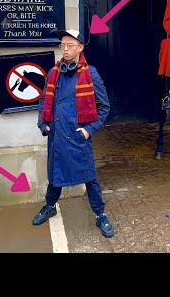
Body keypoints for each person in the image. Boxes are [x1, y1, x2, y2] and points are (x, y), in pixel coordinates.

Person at [32, 28, 114, 238]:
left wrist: (88, 131)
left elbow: (104, 107)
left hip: (77, 137)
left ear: (80, 48)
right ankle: (50, 206)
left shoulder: (90, 73)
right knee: (55, 176)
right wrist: (43, 124)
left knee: (89, 177)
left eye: (70, 45)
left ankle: (100, 214)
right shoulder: (53, 72)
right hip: (56, 135)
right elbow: (43, 101)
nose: (65, 49)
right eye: (62, 45)